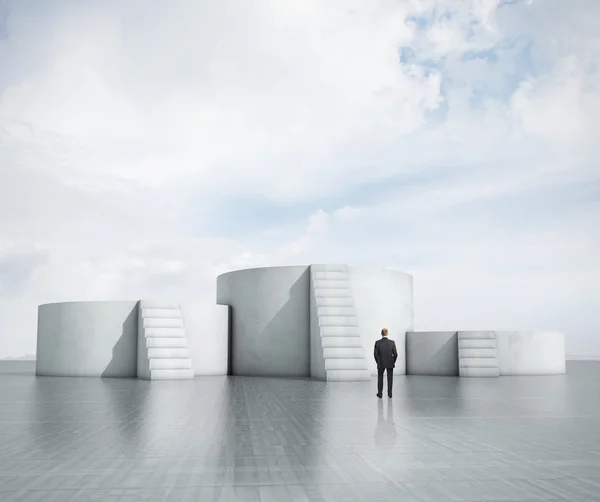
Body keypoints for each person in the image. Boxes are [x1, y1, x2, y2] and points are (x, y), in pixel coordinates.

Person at [374, 328, 397, 399]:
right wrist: (393, 361)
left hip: (381, 363)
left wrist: (378, 362)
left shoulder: (378, 342)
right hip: (390, 362)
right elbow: (396, 354)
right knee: (390, 378)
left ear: (381, 333)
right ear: (387, 333)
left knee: (380, 378)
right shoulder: (392, 342)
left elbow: (375, 354)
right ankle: (390, 394)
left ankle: (380, 394)